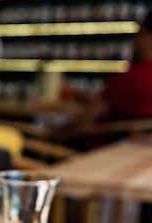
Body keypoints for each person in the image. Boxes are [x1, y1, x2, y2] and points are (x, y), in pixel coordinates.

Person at [55, 8, 152, 143]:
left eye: (138, 32)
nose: (133, 38)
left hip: (109, 151)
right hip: (140, 152)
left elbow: (83, 122)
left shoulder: (129, 78)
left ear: (148, 38)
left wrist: (56, 133)